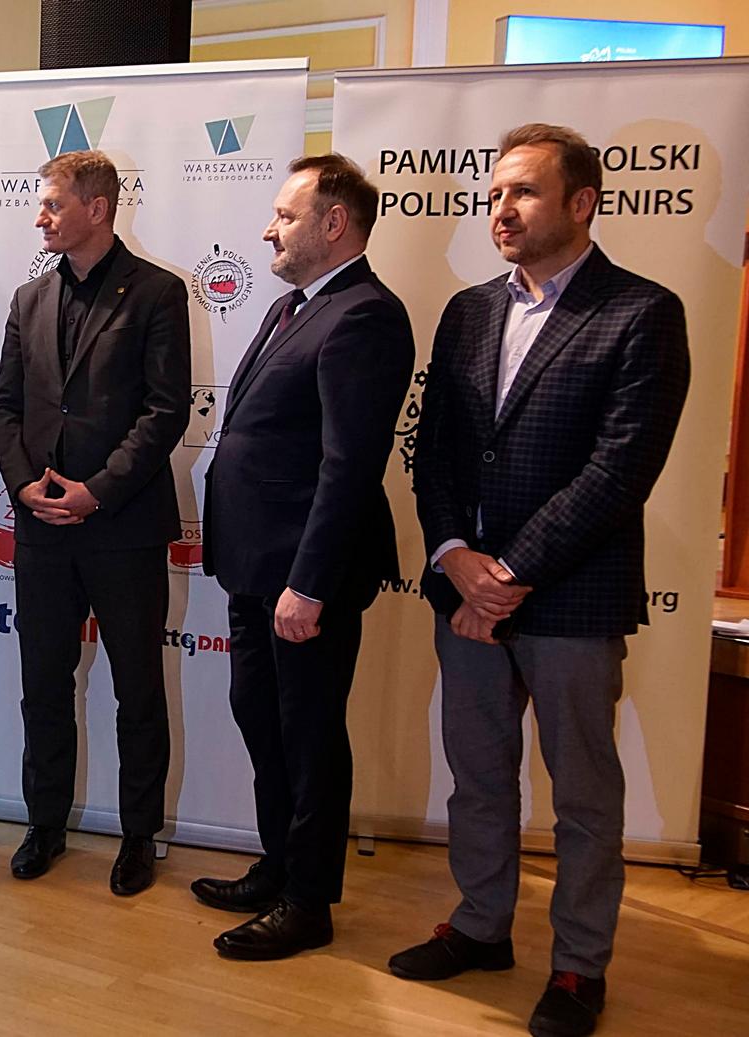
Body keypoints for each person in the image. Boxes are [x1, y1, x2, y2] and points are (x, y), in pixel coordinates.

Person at [392, 123, 689, 1037]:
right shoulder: (468, 310)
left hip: (570, 597)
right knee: (479, 778)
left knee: (584, 798)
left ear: (581, 202)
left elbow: (619, 470)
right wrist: (454, 555)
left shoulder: (642, 311)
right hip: (466, 592)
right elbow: (435, 449)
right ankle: (482, 925)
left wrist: (508, 573)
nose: (501, 211)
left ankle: (577, 966)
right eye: (493, 195)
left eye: (522, 192)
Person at [194, 154, 414, 959]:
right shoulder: (292, 305)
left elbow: (347, 466)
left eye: (285, 216)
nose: (269, 230)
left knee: (310, 736)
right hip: (254, 566)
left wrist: (310, 585)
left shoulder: (366, 315)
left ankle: (309, 901)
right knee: (263, 722)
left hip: (303, 577)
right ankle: (279, 865)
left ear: (334, 223)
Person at [0, 149, 191, 896]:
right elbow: (4, 406)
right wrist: (24, 485)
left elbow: (165, 411)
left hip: (123, 525)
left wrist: (96, 492)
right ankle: (45, 824)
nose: (39, 216)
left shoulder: (158, 292)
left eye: (52, 203)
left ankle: (139, 835)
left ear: (96, 208)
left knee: (137, 689)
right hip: (41, 524)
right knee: (43, 684)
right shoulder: (28, 298)